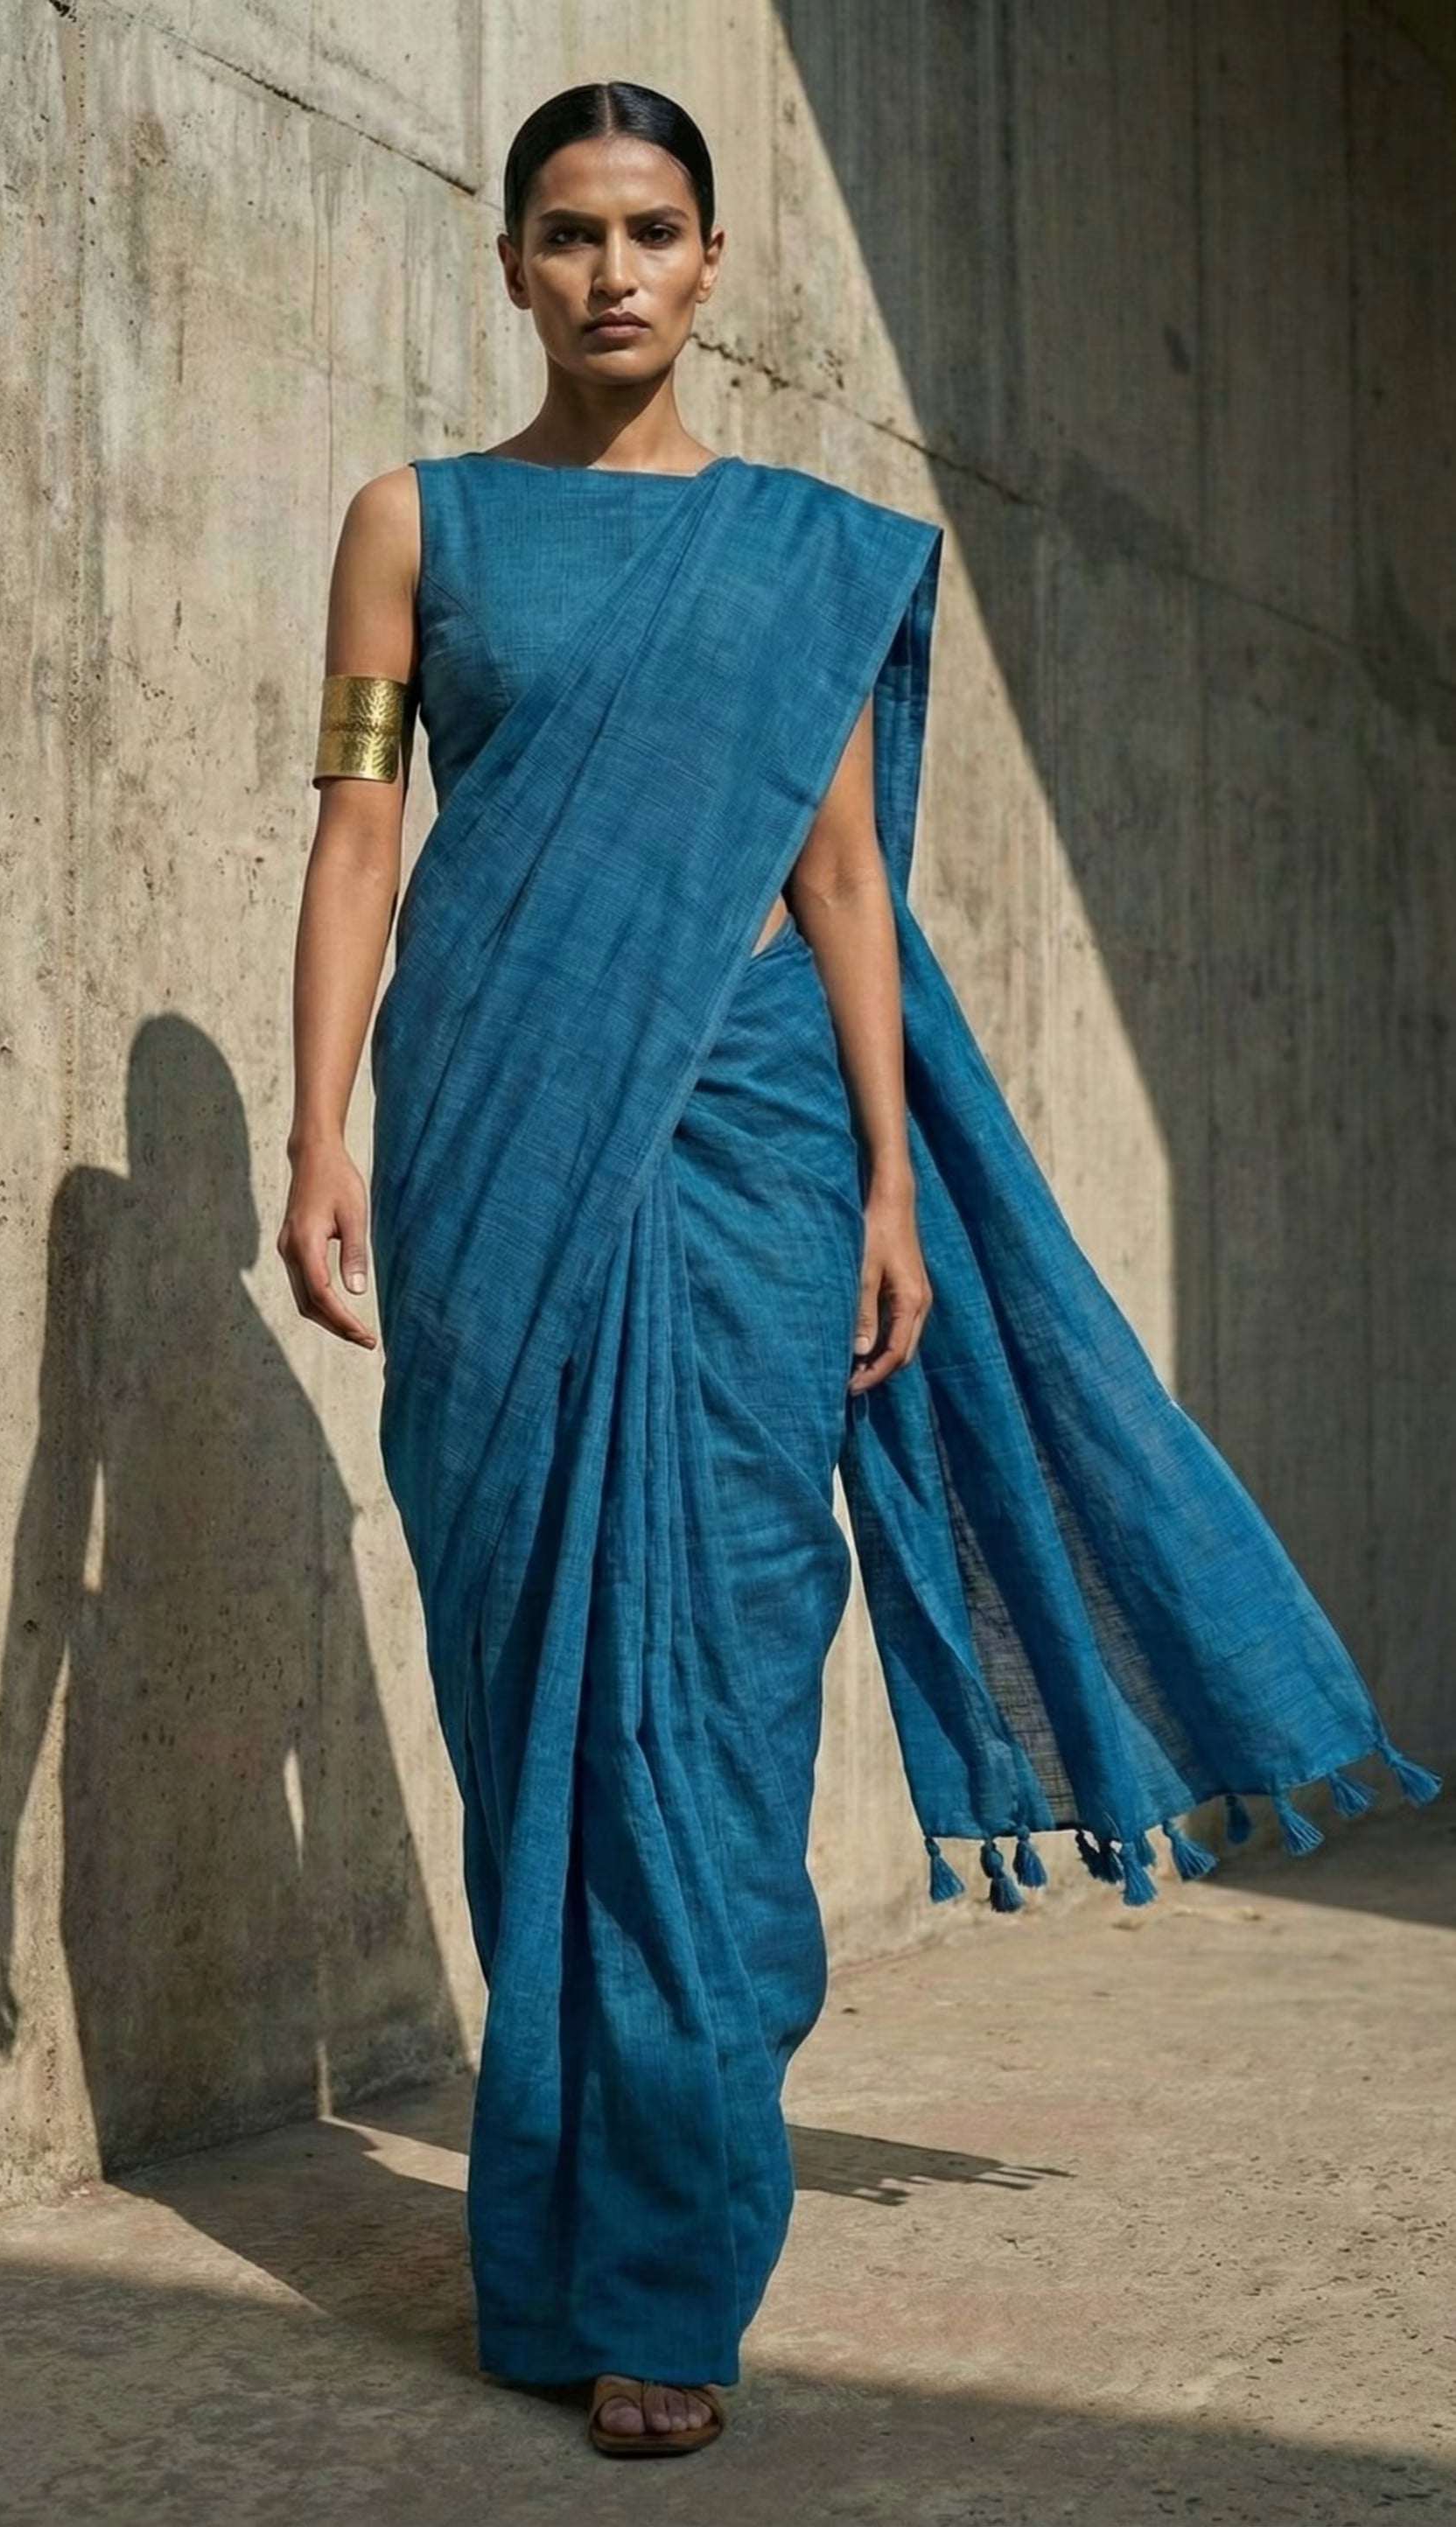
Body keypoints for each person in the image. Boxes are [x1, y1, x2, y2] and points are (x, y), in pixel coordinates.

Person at [276, 79, 1442, 2461]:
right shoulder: (416, 523)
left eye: (653, 231)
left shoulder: (804, 557)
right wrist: (315, 1132)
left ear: (715, 265)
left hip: (755, 1148)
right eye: (570, 232)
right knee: (526, 1703)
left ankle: (667, 2279)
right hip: (491, 1133)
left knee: (711, 1698)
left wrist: (894, 1185)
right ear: (509, 264)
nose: (612, 272)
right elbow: (359, 836)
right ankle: (557, 2243)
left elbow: (838, 886)